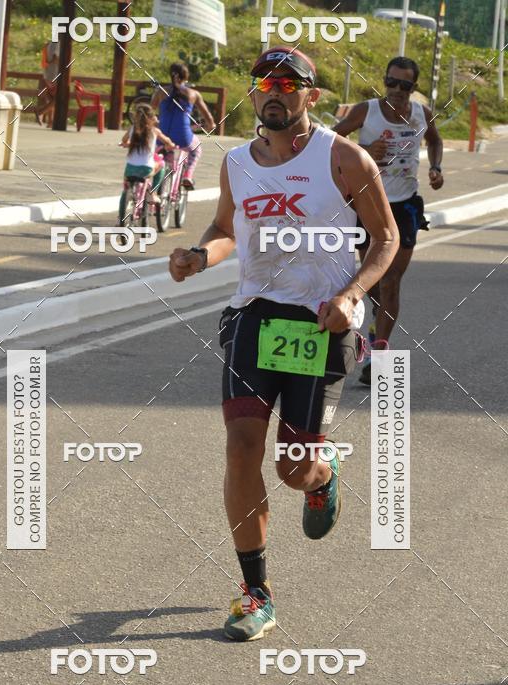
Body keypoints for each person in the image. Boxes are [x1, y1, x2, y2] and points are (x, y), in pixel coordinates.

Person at [169, 47, 399, 641]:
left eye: (286, 83)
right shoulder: (238, 164)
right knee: (242, 448)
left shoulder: (342, 159)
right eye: (263, 82)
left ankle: (321, 477)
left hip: (320, 321)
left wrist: (352, 296)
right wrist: (200, 255)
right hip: (254, 315)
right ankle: (255, 593)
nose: (272, 91)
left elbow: (385, 238)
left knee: (292, 469)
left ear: (310, 96)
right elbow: (226, 230)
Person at [333, 56, 444, 384]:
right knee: (372, 282)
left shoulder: (422, 114)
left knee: (391, 280)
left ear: (414, 88)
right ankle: (373, 326)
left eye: (404, 85)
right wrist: (365, 148)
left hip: (405, 207)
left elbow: (435, 139)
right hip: (367, 205)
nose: (396, 90)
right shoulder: (365, 111)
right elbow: (329, 141)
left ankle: (379, 355)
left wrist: (436, 167)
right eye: (390, 82)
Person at [150, 63, 216, 190]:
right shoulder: (193, 94)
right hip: (183, 137)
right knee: (196, 147)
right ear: (186, 77)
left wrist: (156, 122)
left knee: (166, 153)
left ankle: (162, 179)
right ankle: (188, 175)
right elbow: (207, 115)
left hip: (162, 136)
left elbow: (149, 111)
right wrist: (210, 125)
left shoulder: (160, 92)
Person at [119, 104, 175, 223]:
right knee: (162, 164)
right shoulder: (154, 131)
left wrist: (129, 143)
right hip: (146, 169)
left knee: (126, 189)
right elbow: (168, 141)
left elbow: (124, 140)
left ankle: (121, 216)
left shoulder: (132, 128)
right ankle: (153, 193)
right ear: (151, 118)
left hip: (129, 168)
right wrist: (171, 145)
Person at [35, 40, 59, 127]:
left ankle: (50, 121)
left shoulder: (49, 43)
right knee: (58, 98)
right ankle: (40, 112)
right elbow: (56, 58)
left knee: (51, 98)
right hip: (54, 74)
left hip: (47, 74)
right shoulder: (57, 43)